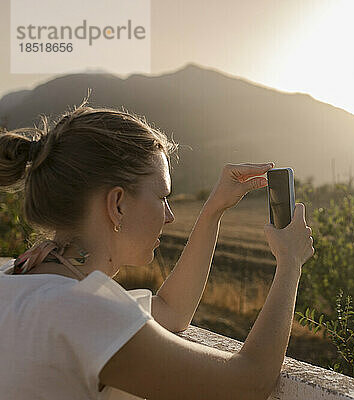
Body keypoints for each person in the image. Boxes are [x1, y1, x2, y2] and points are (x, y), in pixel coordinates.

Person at [0, 98, 314, 400]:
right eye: (162, 197)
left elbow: (170, 312)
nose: (169, 216)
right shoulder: (86, 311)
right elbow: (248, 383)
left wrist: (213, 210)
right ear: (118, 204)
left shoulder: (17, 278)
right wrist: (290, 263)